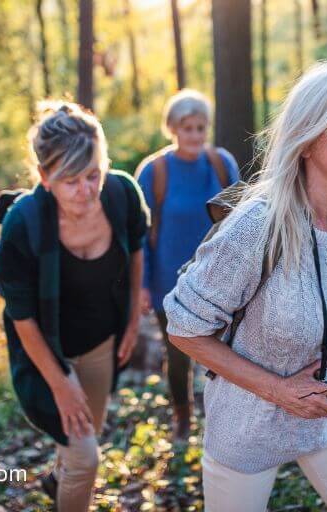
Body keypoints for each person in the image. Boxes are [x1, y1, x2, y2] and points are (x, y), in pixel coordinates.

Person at [162, 62, 327, 512]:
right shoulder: (257, 225)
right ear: (307, 139)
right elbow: (181, 326)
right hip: (246, 431)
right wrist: (279, 390)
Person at [0, 101, 148, 512]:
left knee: (85, 432)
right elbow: (21, 317)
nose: (86, 190)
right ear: (44, 177)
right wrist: (61, 383)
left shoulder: (121, 194)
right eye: (71, 181)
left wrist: (132, 321)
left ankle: (57, 481)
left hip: (101, 340)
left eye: (93, 174)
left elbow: (135, 253)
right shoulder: (23, 224)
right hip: (45, 349)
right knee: (85, 458)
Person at [135, 89, 239, 441]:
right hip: (170, 282)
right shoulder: (154, 172)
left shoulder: (222, 164)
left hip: (219, 279)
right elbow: (139, 234)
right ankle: (182, 417)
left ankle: (222, 420)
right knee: (179, 354)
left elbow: (241, 221)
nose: (195, 135)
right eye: (187, 128)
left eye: (200, 127)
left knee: (224, 355)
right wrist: (142, 285)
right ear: (173, 129)